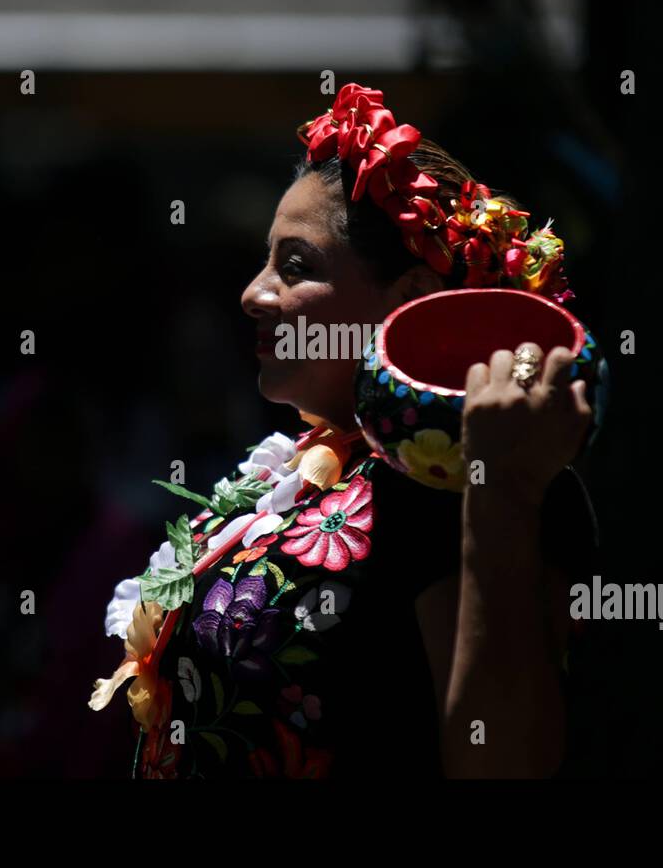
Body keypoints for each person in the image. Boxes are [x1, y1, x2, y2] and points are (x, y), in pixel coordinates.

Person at [89, 83, 602, 779]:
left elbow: (502, 764)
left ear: (412, 303)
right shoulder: (297, 472)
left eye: (295, 267)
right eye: (266, 261)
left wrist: (503, 494)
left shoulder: (447, 487)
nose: (253, 293)